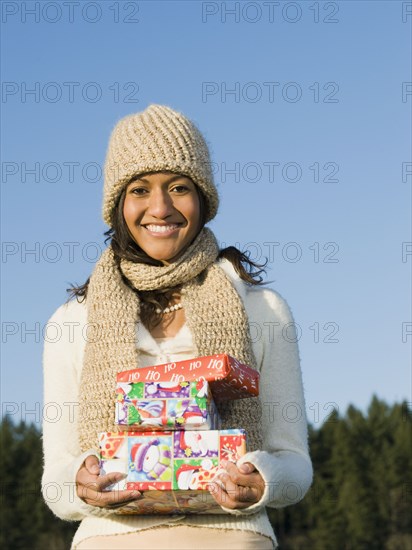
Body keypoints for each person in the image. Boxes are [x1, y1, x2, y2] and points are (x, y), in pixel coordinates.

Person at [42, 104, 313, 549]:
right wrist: (78, 482)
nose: (160, 208)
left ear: (203, 199)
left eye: (179, 187)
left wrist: (263, 480)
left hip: (231, 537)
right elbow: (56, 480)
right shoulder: (71, 322)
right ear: (117, 204)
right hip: (110, 538)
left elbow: (295, 465)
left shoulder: (263, 310)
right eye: (140, 189)